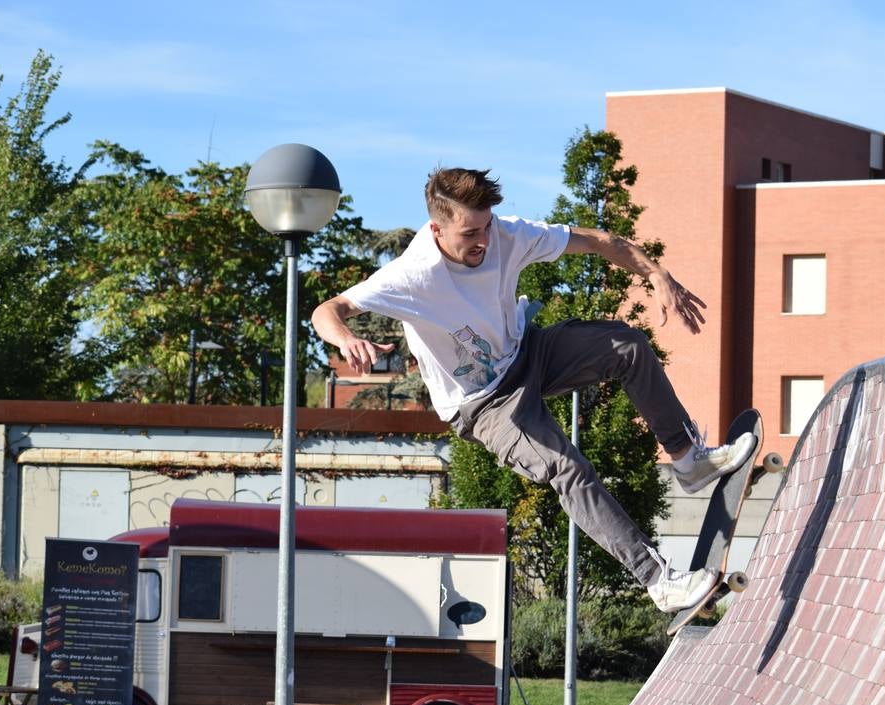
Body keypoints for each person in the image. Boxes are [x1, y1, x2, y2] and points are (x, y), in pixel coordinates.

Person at [312, 167, 756, 613]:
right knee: (568, 468)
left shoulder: (507, 234)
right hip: (483, 405)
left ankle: (687, 461)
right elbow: (328, 310)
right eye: (469, 234)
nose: (483, 242)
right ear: (437, 229)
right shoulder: (411, 276)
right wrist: (347, 339)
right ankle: (659, 581)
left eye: (486, 227)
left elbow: (598, 240)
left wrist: (656, 273)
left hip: (529, 353)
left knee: (628, 346)